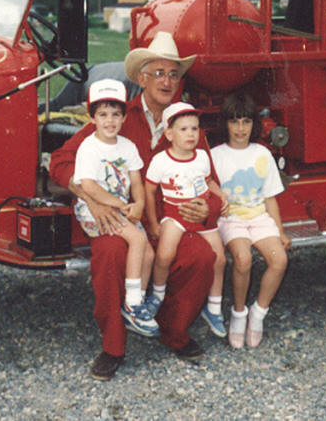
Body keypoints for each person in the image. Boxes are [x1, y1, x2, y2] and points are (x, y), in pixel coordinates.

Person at [49, 31, 217, 381]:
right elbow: (62, 161)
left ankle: (173, 331)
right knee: (110, 254)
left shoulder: (187, 123)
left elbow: (210, 179)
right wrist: (90, 196)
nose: (166, 81)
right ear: (141, 78)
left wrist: (208, 209)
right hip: (120, 217)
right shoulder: (118, 116)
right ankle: (113, 346)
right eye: (157, 73)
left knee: (202, 257)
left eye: (173, 74)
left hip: (171, 219)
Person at [72, 78, 157, 337]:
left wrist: (139, 204)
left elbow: (136, 180)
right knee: (137, 240)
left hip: (120, 208)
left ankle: (135, 303)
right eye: (103, 114)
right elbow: (88, 186)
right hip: (95, 211)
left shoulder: (127, 146)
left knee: (150, 255)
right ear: (93, 118)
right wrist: (122, 204)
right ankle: (132, 303)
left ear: (123, 118)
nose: (110, 121)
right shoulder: (89, 147)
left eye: (116, 114)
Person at [210, 93, 290, 348]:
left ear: (254, 124)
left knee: (279, 261)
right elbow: (209, 187)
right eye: (235, 122)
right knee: (242, 260)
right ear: (226, 125)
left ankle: (258, 313)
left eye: (246, 122)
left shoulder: (262, 153)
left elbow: (270, 198)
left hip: (259, 217)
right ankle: (239, 312)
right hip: (231, 219)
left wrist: (280, 230)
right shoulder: (215, 155)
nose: (241, 128)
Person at [144, 102, 228, 340]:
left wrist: (221, 195)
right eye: (183, 129)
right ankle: (157, 295)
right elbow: (150, 190)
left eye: (194, 128)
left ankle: (213, 307)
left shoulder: (201, 156)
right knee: (164, 255)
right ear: (169, 134)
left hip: (201, 217)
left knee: (219, 259)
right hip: (175, 214)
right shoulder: (161, 161)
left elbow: (209, 180)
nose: (191, 134)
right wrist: (153, 222)